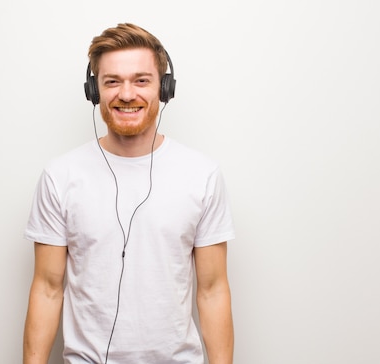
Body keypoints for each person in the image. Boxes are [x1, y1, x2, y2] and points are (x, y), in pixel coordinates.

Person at [22, 23, 235, 364]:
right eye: (112, 81)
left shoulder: (202, 175)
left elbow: (212, 291)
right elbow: (47, 289)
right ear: (94, 91)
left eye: (141, 80)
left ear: (164, 88)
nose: (126, 93)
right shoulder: (60, 176)